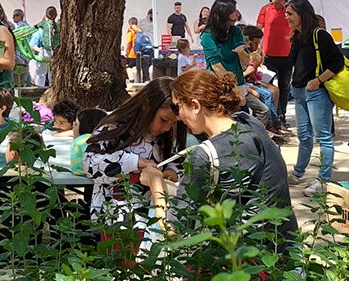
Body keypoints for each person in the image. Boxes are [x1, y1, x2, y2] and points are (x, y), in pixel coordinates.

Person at [156, 69, 298, 249]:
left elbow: (174, 227)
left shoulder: (206, 154)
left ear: (195, 105)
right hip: (286, 244)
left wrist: (154, 182)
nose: (177, 117)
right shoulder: (248, 122)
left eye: (177, 107)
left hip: (244, 258)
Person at [84, 78, 180, 217]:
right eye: (164, 120)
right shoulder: (114, 127)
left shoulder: (164, 136)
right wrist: (135, 162)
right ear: (146, 105)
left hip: (151, 213)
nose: (167, 128)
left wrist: (172, 170)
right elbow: (90, 163)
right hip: (114, 215)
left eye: (173, 123)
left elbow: (178, 158)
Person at [284, 0, 345, 195]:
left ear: (302, 14)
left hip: (316, 92)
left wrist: (318, 80)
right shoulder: (297, 37)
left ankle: (323, 180)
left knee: (323, 137)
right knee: (303, 136)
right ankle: (298, 173)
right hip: (299, 92)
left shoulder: (320, 35)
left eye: (290, 13)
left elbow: (337, 63)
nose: (287, 17)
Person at [256, 0, 293, 126]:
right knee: (269, 86)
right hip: (269, 54)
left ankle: (282, 115)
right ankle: (272, 116)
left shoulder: (289, 10)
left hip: (287, 54)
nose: (276, 1)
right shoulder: (266, 9)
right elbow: (258, 29)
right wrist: (257, 49)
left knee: (285, 86)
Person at [70, 108, 106, 175]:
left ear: (85, 125)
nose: (73, 128)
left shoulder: (83, 139)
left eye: (76, 124)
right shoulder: (86, 139)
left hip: (79, 172)